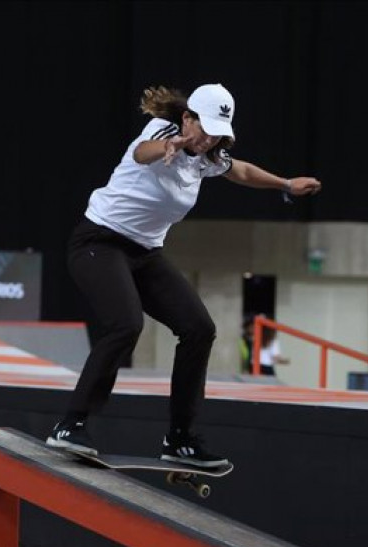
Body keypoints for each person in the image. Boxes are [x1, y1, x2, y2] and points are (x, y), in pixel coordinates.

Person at [47, 84, 321, 466]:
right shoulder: (160, 131)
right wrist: (168, 147)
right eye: (201, 128)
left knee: (198, 328)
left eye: (216, 133)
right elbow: (142, 154)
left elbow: (239, 170)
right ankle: (70, 424)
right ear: (187, 117)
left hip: (145, 254)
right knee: (125, 324)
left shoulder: (209, 155)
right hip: (99, 242)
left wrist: (286, 184)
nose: (206, 138)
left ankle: (180, 439)